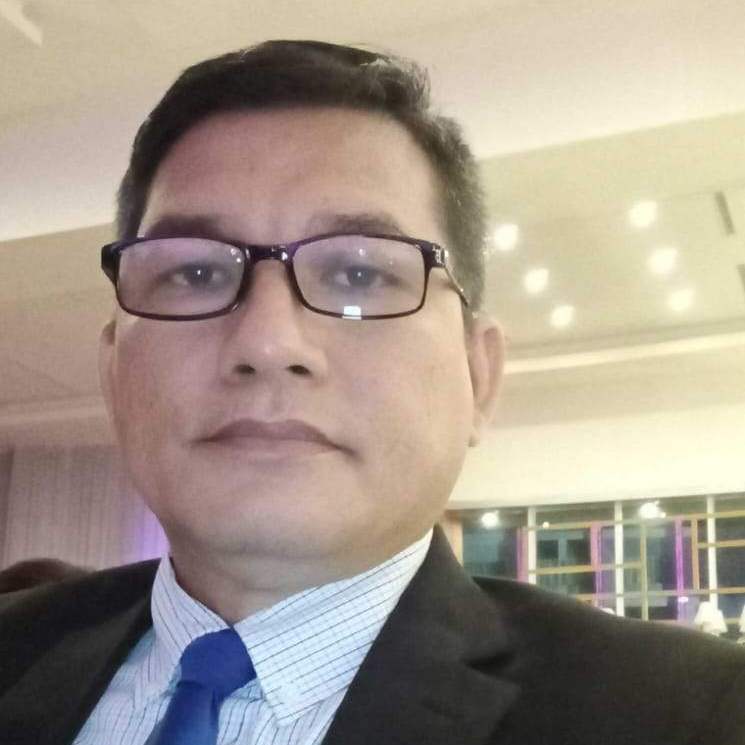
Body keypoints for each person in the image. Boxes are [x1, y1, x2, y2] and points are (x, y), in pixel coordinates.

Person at [0, 40, 743, 745]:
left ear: (478, 374)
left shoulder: (693, 713)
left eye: (359, 273)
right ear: (113, 370)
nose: (267, 342)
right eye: (195, 273)